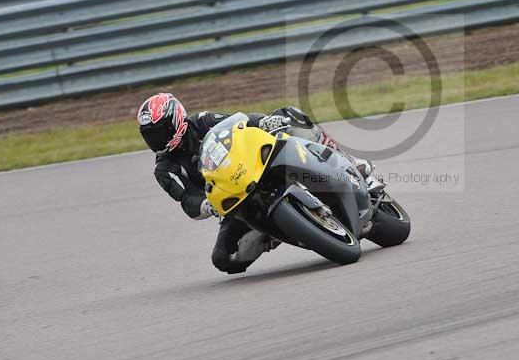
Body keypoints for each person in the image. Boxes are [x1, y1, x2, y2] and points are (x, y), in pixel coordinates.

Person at [137, 93, 378, 274]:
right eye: (149, 135)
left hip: (256, 166)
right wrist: (206, 206)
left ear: (176, 120)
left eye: (159, 131)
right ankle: (272, 234)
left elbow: (239, 123)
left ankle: (348, 161)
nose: (155, 140)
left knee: (289, 114)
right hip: (234, 201)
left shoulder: (202, 121)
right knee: (223, 259)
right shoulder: (164, 169)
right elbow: (186, 198)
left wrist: (264, 123)